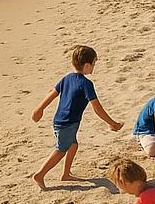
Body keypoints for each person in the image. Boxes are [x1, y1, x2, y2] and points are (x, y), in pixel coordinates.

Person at [31, 45, 122, 189]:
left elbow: (52, 94)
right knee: (61, 150)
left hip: (60, 120)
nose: (94, 67)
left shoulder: (67, 78)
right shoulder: (86, 84)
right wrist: (112, 123)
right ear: (87, 65)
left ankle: (66, 174)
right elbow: (97, 108)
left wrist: (39, 109)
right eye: (94, 63)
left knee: (73, 145)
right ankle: (40, 174)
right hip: (68, 123)